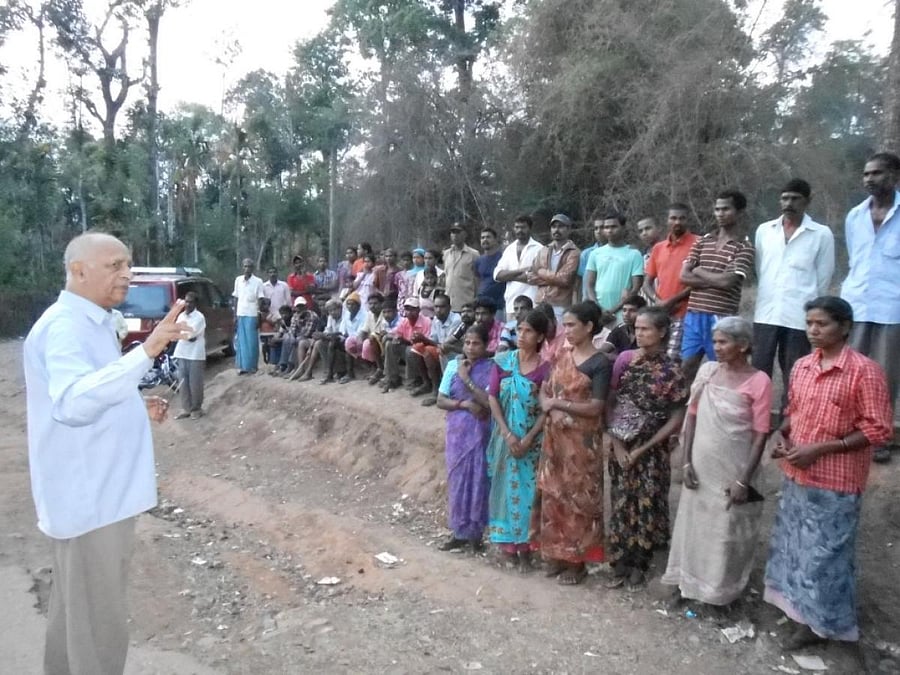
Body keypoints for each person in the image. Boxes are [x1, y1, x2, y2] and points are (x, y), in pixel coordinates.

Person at [24, 232, 190, 675]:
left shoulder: (90, 322)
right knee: (99, 629)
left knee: (75, 618)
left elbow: (94, 391)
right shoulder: (65, 327)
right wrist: (149, 350)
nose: (127, 275)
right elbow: (74, 403)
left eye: (128, 264)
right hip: (92, 501)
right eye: (115, 266)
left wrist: (134, 405)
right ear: (78, 271)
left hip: (95, 496)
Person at [764, 296, 892, 650]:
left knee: (827, 556)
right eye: (809, 324)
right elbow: (795, 411)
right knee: (795, 548)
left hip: (836, 481)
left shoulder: (865, 371)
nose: (813, 330)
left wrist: (820, 449)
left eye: (822, 324)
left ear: (845, 326)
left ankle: (823, 624)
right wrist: (785, 437)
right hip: (797, 473)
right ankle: (798, 611)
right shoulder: (804, 365)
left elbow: (878, 429)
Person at [662, 317, 772, 606]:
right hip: (700, 467)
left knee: (725, 533)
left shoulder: (759, 382)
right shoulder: (708, 371)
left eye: (723, 342)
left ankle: (718, 595)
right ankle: (685, 584)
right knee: (693, 525)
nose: (717, 348)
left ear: (744, 345)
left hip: (732, 469)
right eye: (715, 341)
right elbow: (692, 418)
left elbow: (760, 435)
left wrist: (742, 481)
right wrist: (686, 463)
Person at [606, 306, 688, 590]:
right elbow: (612, 403)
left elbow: (676, 417)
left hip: (652, 450)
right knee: (620, 503)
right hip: (621, 444)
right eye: (637, 329)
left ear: (662, 332)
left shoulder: (672, 370)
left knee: (646, 504)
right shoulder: (626, 362)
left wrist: (645, 448)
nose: (639, 334)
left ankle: (640, 563)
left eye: (645, 329)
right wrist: (616, 444)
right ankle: (619, 562)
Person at [530, 301, 610, 585]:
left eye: (573, 325)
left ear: (589, 327)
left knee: (579, 501)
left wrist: (558, 404)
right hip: (555, 441)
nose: (568, 330)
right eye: (565, 325)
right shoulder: (563, 354)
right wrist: (549, 405)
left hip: (581, 446)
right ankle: (555, 555)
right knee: (554, 497)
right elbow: (545, 389)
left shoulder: (599, 363)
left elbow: (596, 406)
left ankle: (577, 563)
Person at [753, 178, 834, 411]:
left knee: (795, 371)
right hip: (766, 313)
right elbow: (761, 270)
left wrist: (813, 314)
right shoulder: (765, 231)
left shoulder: (821, 234)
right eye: (785, 198)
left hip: (799, 315)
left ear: (808, 201)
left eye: (795, 198)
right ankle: (759, 418)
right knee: (759, 369)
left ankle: (791, 422)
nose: (789, 203)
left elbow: (823, 279)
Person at [841, 151, 900, 463]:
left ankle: (880, 437)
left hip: (893, 308)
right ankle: (851, 431)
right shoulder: (854, 216)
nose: (868, 179)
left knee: (886, 375)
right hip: (857, 305)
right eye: (865, 174)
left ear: (894, 176)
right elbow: (855, 259)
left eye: (876, 173)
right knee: (853, 371)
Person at [486, 310, 552, 571]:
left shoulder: (545, 370)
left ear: (540, 337)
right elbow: (493, 398)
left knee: (528, 494)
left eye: (528, 331)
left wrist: (528, 439)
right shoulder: (502, 362)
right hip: (505, 440)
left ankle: (526, 549)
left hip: (532, 444)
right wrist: (507, 433)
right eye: (519, 330)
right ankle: (508, 547)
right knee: (504, 491)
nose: (522, 336)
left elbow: (545, 410)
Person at [680, 190, 755, 386]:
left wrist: (698, 270)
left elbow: (727, 283)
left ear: (739, 212)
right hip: (694, 315)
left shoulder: (744, 247)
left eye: (726, 209)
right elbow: (684, 276)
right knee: (686, 367)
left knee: (724, 368)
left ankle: (719, 411)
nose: (720, 213)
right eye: (717, 209)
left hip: (721, 317)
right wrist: (714, 278)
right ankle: (688, 412)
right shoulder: (703, 240)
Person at [436, 323, 498, 553]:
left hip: (481, 433)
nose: (471, 348)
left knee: (479, 480)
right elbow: (441, 400)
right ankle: (458, 532)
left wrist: (467, 379)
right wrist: (464, 404)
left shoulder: (491, 368)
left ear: (486, 345)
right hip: (457, 433)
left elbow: (489, 401)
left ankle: (475, 534)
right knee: (458, 479)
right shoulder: (453, 365)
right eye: (468, 343)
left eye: (476, 343)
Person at [643, 203, 700, 358]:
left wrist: (673, 301)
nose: (677, 222)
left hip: (686, 312)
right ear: (667, 220)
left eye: (682, 218)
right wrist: (658, 301)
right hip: (661, 313)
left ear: (688, 220)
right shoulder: (658, 248)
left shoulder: (699, 244)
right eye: (673, 218)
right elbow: (647, 282)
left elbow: (700, 281)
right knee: (656, 357)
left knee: (673, 359)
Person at [585, 211, 645, 317]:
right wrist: (598, 308)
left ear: (623, 228)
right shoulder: (595, 254)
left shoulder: (634, 254)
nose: (609, 230)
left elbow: (636, 287)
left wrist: (613, 310)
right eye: (606, 227)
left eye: (614, 227)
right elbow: (589, 285)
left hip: (623, 312)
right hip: (599, 312)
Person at [408, 292, 461, 405]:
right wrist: (419, 340)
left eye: (442, 307)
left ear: (449, 307)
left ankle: (436, 391)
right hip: (442, 351)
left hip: (455, 353)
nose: (438, 310)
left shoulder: (456, 320)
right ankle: (427, 383)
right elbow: (434, 342)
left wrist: (424, 339)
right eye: (436, 307)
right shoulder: (436, 320)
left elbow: (446, 345)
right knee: (416, 349)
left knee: (430, 352)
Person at [527, 213, 580, 320]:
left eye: (561, 226)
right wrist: (554, 279)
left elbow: (565, 279)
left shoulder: (574, 252)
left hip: (560, 305)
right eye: (554, 226)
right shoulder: (544, 250)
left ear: (569, 229)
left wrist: (541, 272)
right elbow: (530, 277)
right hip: (540, 303)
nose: (556, 230)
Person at [493, 215, 544, 317]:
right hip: (511, 304)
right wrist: (522, 270)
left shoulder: (539, 249)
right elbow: (497, 275)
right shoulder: (509, 249)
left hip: (532, 304)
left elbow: (535, 277)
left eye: (523, 227)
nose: (519, 230)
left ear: (530, 228)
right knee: (510, 333)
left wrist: (509, 277)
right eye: (517, 227)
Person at [382, 297, 432, 393]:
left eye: (412, 309)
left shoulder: (426, 321)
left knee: (411, 349)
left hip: (422, 353)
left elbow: (426, 343)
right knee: (390, 344)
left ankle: (413, 380)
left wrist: (404, 340)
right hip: (408, 350)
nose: (409, 312)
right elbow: (395, 333)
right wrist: (392, 337)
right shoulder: (405, 321)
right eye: (407, 309)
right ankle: (392, 378)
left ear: (418, 310)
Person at [172, 291, 207, 419]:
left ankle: (196, 409)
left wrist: (183, 334)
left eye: (190, 302)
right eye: (186, 301)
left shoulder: (199, 317)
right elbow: (178, 332)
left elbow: (190, 335)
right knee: (183, 382)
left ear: (195, 303)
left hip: (195, 354)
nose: (187, 304)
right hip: (182, 353)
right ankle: (186, 408)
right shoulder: (181, 316)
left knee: (195, 383)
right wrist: (183, 334)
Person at [232, 258, 265, 374]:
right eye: (245, 266)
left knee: (251, 342)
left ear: (253, 268)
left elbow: (260, 299)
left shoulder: (258, 281)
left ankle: (252, 367)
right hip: (241, 313)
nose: (247, 269)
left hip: (252, 314)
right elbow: (236, 298)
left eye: (249, 266)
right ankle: (242, 367)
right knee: (241, 341)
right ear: (242, 267)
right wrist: (235, 315)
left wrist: (259, 315)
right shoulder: (238, 280)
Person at [443, 223, 480, 311]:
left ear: (465, 234)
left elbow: (477, 279)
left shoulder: (474, 254)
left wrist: (477, 298)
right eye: (453, 232)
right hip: (449, 305)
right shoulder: (446, 254)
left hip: (466, 303)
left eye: (458, 232)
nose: (455, 235)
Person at [474, 227, 506, 321]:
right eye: (482, 237)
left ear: (495, 240)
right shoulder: (479, 260)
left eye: (488, 237)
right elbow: (477, 280)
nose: (485, 240)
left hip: (499, 305)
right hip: (482, 305)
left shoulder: (503, 258)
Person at [577, 218, 606, 301]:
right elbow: (579, 284)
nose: (598, 231)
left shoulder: (618, 253)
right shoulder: (586, 254)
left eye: (602, 227)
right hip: (588, 304)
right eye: (596, 228)